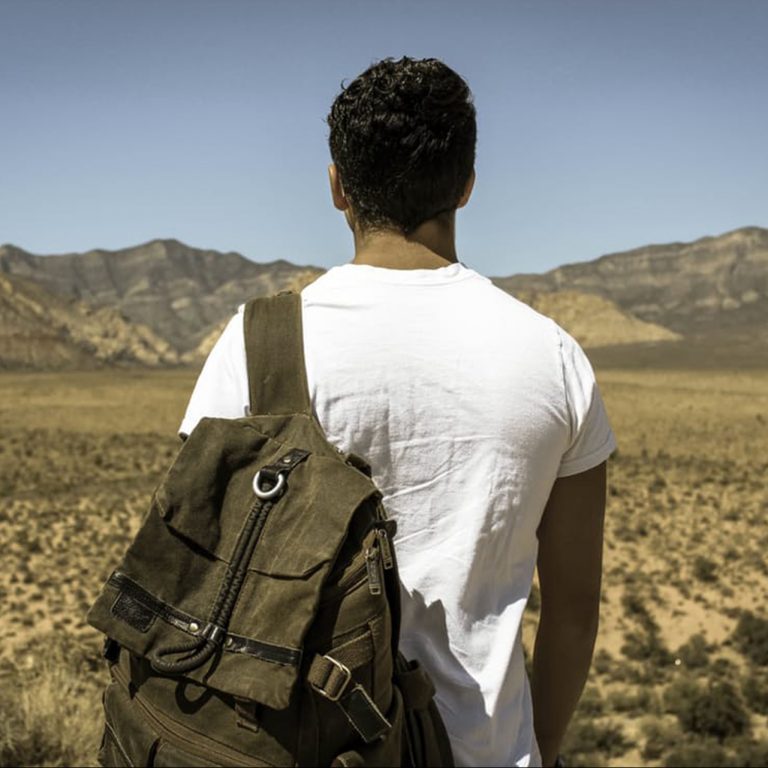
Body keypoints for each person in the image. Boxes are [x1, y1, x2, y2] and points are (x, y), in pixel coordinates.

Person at [179, 56, 615, 768]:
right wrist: (543, 749)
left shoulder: (257, 343)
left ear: (336, 187)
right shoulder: (556, 358)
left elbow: (197, 559)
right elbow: (573, 610)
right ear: (468, 185)